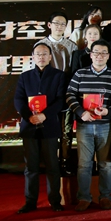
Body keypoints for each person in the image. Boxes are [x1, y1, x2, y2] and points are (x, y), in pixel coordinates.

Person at [66, 39, 111, 211]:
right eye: (96, 52)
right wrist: (81, 112)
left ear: (108, 56)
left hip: (105, 125)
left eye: (104, 53)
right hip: (84, 125)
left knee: (105, 164)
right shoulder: (80, 74)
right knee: (84, 164)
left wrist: (108, 111)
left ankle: (105, 197)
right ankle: (84, 197)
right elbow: (69, 95)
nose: (99, 56)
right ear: (90, 55)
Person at [13, 42, 65, 213]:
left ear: (50, 57)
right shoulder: (25, 77)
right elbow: (19, 99)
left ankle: (55, 201)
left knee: (52, 166)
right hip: (30, 126)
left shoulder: (59, 76)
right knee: (31, 167)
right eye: (38, 54)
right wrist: (29, 116)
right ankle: (30, 202)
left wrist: (45, 115)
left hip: (49, 126)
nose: (41, 57)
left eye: (44, 54)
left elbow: (61, 100)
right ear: (33, 57)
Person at [42, 11, 77, 171]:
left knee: (66, 130)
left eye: (63, 24)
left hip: (66, 92)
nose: (59, 26)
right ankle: (50, 162)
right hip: (47, 94)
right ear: (49, 25)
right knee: (48, 129)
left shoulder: (71, 46)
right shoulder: (41, 45)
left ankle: (65, 161)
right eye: (56, 23)